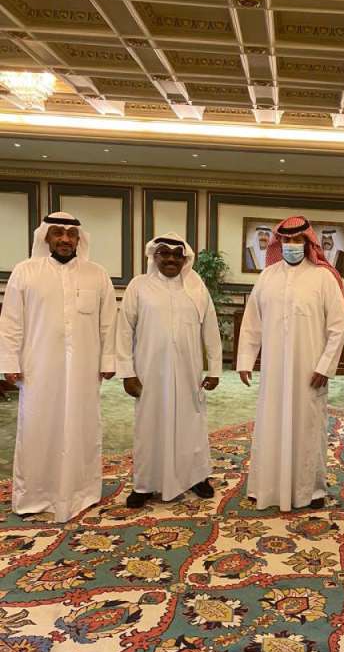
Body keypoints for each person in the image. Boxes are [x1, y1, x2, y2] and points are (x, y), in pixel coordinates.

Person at [0, 211, 117, 522]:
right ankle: (35, 495)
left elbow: (108, 323)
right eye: (58, 233)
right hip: (37, 367)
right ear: (46, 237)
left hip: (84, 369)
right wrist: (9, 360)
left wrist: (108, 360)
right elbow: (11, 322)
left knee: (82, 427)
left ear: (79, 238)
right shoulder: (25, 272)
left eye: (71, 234)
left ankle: (81, 492)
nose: (65, 239)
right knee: (37, 427)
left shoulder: (97, 275)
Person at [237, 215, 344, 511]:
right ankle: (267, 486)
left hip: (309, 371)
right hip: (274, 371)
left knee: (308, 428)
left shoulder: (323, 277)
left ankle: (310, 490)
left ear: (308, 242)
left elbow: (338, 325)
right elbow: (252, 322)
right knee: (271, 425)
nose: (291, 245)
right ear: (279, 242)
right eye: (286, 240)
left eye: (297, 239)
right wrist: (245, 359)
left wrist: (325, 366)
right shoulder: (267, 277)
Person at [116, 233, 222, 508]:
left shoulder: (196, 288)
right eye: (165, 253)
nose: (171, 259)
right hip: (149, 372)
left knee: (192, 424)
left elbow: (211, 330)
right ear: (155, 256)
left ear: (185, 259)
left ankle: (196, 476)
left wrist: (214, 370)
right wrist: (127, 372)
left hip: (189, 372)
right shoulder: (139, 286)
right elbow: (124, 330)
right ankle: (145, 483)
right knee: (149, 426)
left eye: (177, 254)